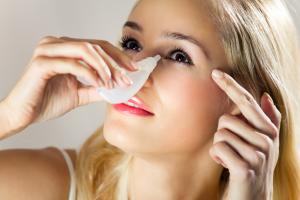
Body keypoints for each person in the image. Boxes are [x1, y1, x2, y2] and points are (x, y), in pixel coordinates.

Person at [0, 0, 300, 199]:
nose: (133, 72)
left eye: (179, 55)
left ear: (245, 100)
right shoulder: (48, 186)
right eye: (132, 44)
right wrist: (8, 117)